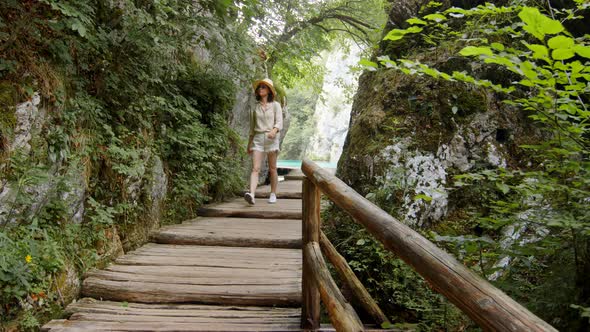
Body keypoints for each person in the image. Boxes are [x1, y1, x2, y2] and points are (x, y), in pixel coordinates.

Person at [244, 78, 283, 205]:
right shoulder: (255, 108)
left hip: (272, 139)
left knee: (272, 168)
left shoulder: (276, 105)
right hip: (258, 139)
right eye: (259, 87)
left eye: (263, 87)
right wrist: (249, 144)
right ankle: (252, 194)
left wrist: (274, 130)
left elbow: (279, 122)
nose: (260, 89)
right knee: (255, 168)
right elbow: (251, 128)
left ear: (269, 91)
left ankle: (273, 194)